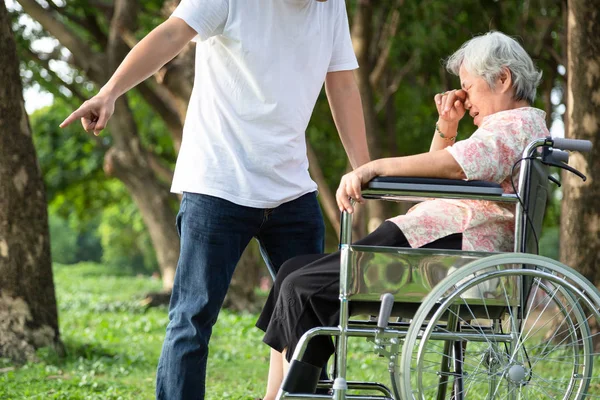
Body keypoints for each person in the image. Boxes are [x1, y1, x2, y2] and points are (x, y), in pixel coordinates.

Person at [59, 1, 370, 399]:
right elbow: (171, 34)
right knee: (192, 320)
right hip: (217, 183)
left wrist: (363, 167)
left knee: (309, 324)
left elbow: (341, 82)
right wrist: (109, 92)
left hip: (292, 189)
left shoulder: (330, 7)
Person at [256, 30, 548, 399]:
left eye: (468, 87)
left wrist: (373, 168)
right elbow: (445, 167)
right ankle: (275, 395)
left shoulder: (514, 125)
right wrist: (448, 125)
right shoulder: (513, 128)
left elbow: (453, 167)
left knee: (304, 287)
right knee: (291, 273)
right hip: (437, 237)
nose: (464, 97)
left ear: (503, 79)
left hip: (450, 246)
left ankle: (290, 395)